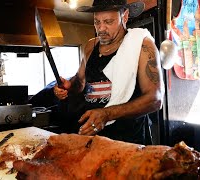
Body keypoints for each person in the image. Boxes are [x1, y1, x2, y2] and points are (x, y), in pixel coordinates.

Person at [53, 0, 164, 145]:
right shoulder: (90, 46)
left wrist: (107, 114)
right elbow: (80, 82)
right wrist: (68, 86)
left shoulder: (142, 45)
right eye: (97, 22)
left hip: (129, 142)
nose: (101, 28)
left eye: (108, 21)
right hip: (93, 139)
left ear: (124, 16)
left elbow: (155, 99)